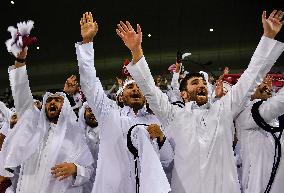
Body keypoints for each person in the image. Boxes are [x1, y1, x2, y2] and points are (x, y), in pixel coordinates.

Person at [116, 9, 284, 193]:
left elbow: (251, 76)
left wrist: (268, 37)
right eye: (195, 83)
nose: (202, 85)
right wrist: (136, 51)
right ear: (184, 94)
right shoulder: (173, 115)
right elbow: (149, 89)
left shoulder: (224, 109)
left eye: (204, 82)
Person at [76, 12, 172, 193]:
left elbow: (167, 163)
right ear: (120, 96)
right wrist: (87, 44)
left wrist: (161, 138)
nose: (136, 89)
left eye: (139, 88)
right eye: (130, 87)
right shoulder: (109, 116)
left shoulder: (156, 121)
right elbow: (89, 84)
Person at [0, 45, 94, 193]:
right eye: (49, 100)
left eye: (57, 100)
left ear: (65, 108)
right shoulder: (33, 131)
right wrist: (20, 60)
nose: (52, 102)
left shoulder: (75, 135)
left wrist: (75, 168)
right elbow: (21, 92)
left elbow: (89, 171)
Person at [235, 76, 284, 193]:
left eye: (268, 84)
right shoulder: (245, 114)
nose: (267, 86)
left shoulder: (273, 119)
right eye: (261, 83)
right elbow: (278, 104)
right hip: (260, 187)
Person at [78, 102, 100, 193]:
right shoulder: (77, 134)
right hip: (85, 181)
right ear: (83, 113)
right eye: (90, 110)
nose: (93, 113)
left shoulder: (109, 131)